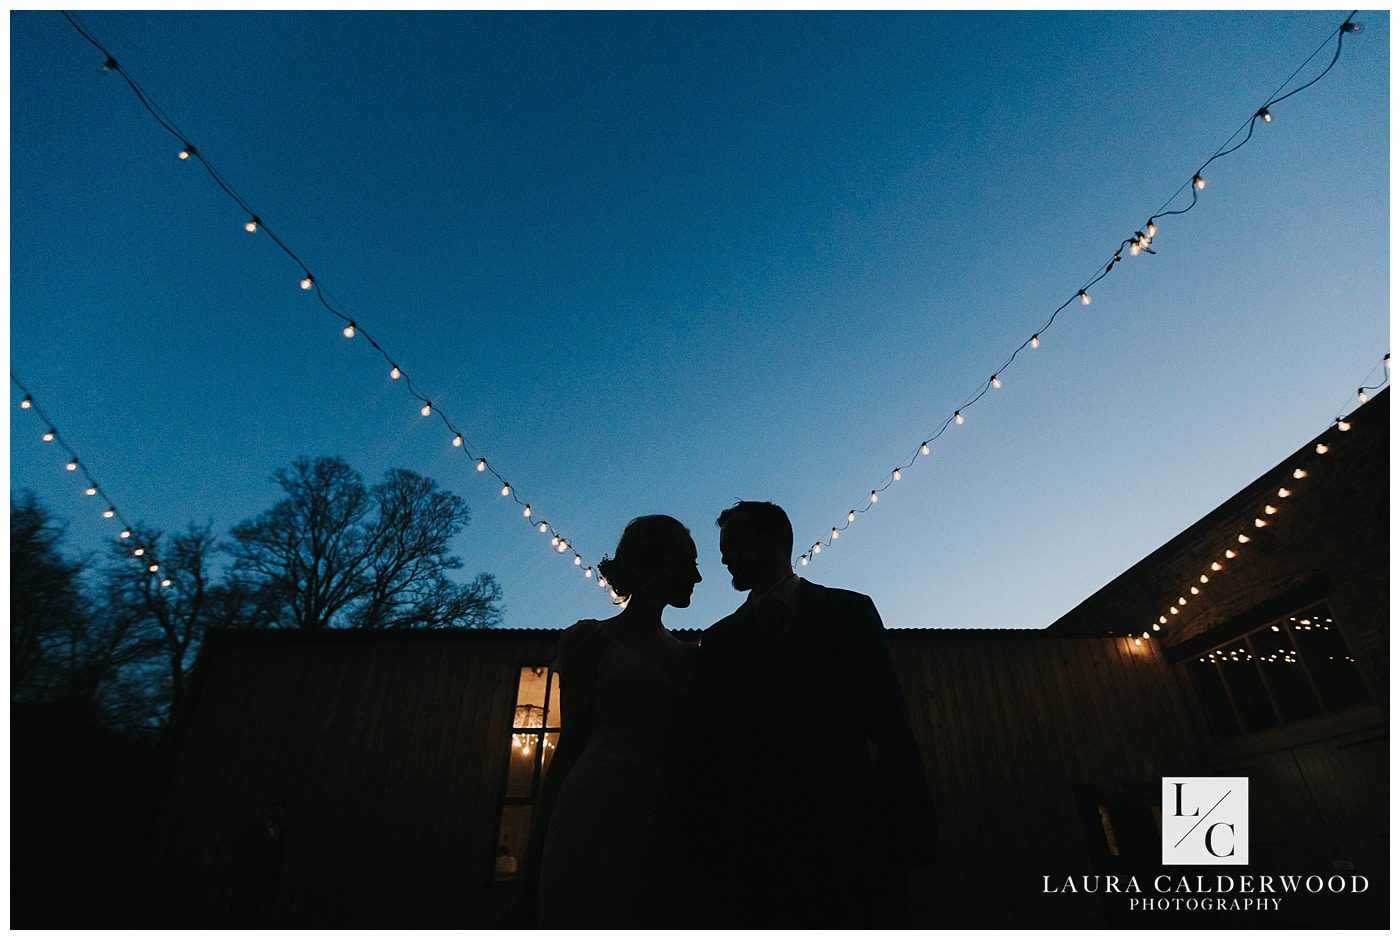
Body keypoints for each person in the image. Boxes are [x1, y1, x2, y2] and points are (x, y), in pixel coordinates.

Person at [695, 500, 937, 927]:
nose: (722, 555)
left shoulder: (851, 612)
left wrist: (909, 833)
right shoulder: (718, 642)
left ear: (774, 540)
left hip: (852, 839)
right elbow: (714, 754)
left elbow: (890, 725)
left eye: (733, 541)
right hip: (757, 855)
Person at [508, 515, 701, 927]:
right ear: (655, 562)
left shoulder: (689, 656)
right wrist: (536, 851)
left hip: (665, 817)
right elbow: (571, 744)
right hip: (596, 809)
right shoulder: (591, 641)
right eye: (688, 563)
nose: (698, 577)